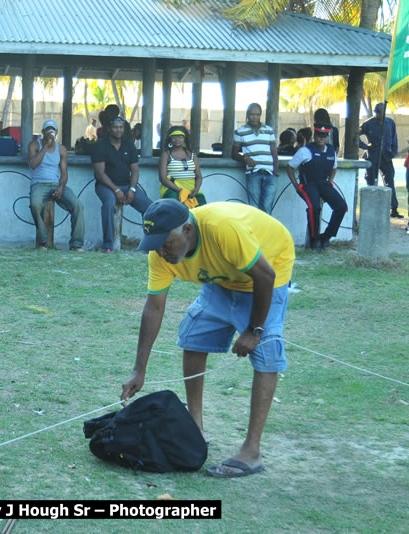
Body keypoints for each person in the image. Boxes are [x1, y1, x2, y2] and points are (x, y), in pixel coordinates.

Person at [122, 199, 295, 478]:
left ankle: (251, 452)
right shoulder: (161, 253)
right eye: (155, 244)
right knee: (194, 337)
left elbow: (265, 275)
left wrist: (254, 330)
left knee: (266, 354)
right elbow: (154, 307)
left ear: (187, 230)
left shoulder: (222, 228)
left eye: (167, 243)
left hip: (268, 267)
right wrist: (139, 370)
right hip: (223, 276)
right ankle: (195, 428)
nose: (162, 251)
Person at [91, 116, 153, 253]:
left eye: (121, 127)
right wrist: (116, 190)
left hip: (126, 185)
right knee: (109, 204)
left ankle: (150, 245)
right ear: (109, 129)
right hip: (106, 186)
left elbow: (135, 170)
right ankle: (108, 245)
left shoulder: (129, 145)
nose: (118, 130)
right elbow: (100, 173)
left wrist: (132, 189)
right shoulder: (101, 145)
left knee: (150, 208)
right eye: (115, 127)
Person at [286, 124, 347, 251]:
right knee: (314, 207)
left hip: (323, 184)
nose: (321, 139)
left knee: (341, 206)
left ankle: (326, 236)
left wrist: (330, 181)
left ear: (327, 137)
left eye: (324, 136)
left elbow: (334, 168)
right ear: (315, 136)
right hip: (308, 185)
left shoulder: (331, 150)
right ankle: (314, 240)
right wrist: (297, 186)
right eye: (319, 135)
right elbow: (290, 167)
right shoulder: (305, 151)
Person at [27, 120, 85, 251]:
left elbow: (64, 173)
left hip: (56, 184)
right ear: (43, 132)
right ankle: (43, 241)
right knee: (35, 204)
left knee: (77, 205)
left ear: (56, 132)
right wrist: (46, 146)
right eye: (47, 129)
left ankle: (76, 244)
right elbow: (33, 164)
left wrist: (61, 187)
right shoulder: (34, 145)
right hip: (39, 184)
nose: (50, 132)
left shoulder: (62, 149)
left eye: (53, 130)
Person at [232, 103, 279, 214]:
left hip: (270, 174)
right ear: (247, 115)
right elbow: (234, 154)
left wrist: (275, 172)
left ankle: (266, 231)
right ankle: (255, 231)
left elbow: (274, 153)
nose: (254, 117)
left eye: (257, 114)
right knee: (254, 208)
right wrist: (245, 158)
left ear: (260, 115)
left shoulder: (269, 130)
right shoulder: (240, 132)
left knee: (267, 208)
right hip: (253, 173)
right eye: (252, 114)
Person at [360, 103, 402, 218]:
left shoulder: (390, 122)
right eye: (376, 111)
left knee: (390, 183)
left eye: (380, 111)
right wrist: (365, 146)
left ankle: (393, 208)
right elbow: (355, 134)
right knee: (371, 182)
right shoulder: (368, 123)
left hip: (386, 158)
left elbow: (394, 139)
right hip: (372, 157)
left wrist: (393, 153)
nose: (378, 114)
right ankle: (371, 209)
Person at [158, 125, 206, 207]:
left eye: (180, 137)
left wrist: (196, 189)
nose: (177, 140)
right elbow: (163, 178)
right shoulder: (166, 154)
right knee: (175, 207)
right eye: (174, 137)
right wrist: (180, 190)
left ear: (185, 139)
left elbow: (199, 177)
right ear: (170, 139)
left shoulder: (192, 155)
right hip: (173, 188)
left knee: (202, 206)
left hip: (192, 187)